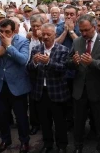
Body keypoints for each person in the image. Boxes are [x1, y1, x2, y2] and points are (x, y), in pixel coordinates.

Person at [67, 14, 100, 153]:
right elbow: (68, 62)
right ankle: (78, 146)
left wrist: (93, 62)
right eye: (81, 30)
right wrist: (74, 62)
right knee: (79, 122)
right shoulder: (77, 42)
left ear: (94, 27)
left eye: (86, 30)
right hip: (80, 90)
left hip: (98, 89)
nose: (83, 33)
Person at [0, 19, 31, 153]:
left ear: (15, 31)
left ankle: (24, 141)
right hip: (0, 85)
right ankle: (5, 140)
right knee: (2, 117)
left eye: (7, 32)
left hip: (17, 86)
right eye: (1, 31)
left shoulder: (23, 41)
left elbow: (23, 60)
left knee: (21, 117)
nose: (3, 35)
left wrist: (9, 47)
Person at [27, 23, 70, 153]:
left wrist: (49, 62)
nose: (45, 37)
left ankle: (62, 145)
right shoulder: (36, 49)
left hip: (57, 92)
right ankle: (47, 144)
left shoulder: (63, 50)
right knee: (45, 122)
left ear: (54, 35)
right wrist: (34, 62)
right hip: (41, 92)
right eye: (43, 34)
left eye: (48, 34)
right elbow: (28, 69)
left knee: (60, 122)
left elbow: (63, 69)